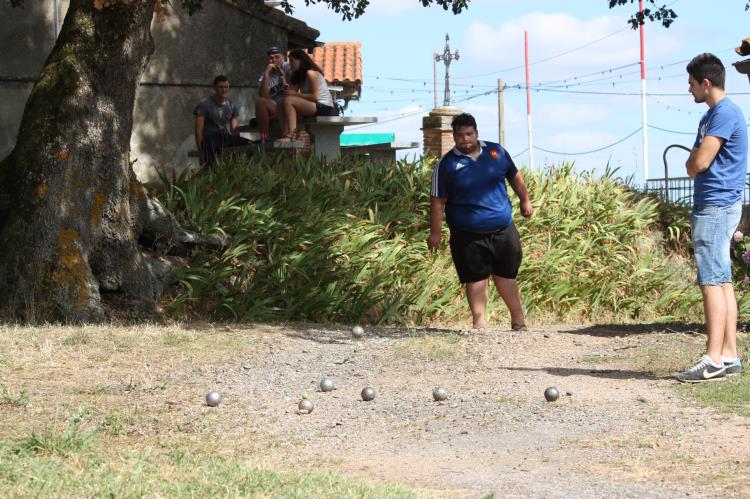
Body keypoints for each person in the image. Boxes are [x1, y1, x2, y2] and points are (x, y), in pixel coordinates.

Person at [676, 53, 748, 383]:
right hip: (717, 204)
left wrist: (693, 162)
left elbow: (699, 162)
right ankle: (730, 355)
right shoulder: (712, 116)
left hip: (715, 205)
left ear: (707, 83)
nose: (689, 89)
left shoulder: (723, 115)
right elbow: (697, 159)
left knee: (711, 280)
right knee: (722, 279)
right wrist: (694, 161)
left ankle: (714, 358)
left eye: (692, 83)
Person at [428, 113, 533, 331]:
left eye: (469, 134)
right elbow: (437, 202)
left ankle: (518, 320)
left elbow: (515, 176)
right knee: (476, 277)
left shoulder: (497, 152)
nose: (465, 139)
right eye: (460, 136)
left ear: (476, 132)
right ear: (454, 137)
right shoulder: (446, 164)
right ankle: (479, 321)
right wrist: (435, 234)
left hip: (503, 228)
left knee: (506, 275)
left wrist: (525, 200)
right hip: (467, 233)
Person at [275, 49, 337, 144]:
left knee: (288, 101)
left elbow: (315, 97)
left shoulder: (311, 73)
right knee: (280, 102)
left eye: (292, 61)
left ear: (300, 61)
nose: (290, 64)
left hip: (324, 106)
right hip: (312, 105)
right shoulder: (298, 75)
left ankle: (292, 135)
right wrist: (283, 78)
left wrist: (295, 94)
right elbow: (289, 92)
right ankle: (285, 135)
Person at [193, 75, 249, 166]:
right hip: (209, 137)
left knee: (249, 145)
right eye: (221, 87)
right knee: (214, 150)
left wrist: (238, 146)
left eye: (226, 87)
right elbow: (198, 131)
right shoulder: (204, 104)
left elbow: (234, 129)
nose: (224, 90)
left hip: (224, 137)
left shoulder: (231, 105)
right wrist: (200, 153)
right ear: (215, 88)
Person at [255, 46, 292, 142]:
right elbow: (263, 96)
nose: (274, 60)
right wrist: (267, 73)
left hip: (290, 106)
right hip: (275, 108)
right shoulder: (265, 74)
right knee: (260, 102)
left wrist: (282, 76)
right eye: (271, 58)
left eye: (277, 57)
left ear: (283, 58)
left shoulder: (288, 66)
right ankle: (264, 138)